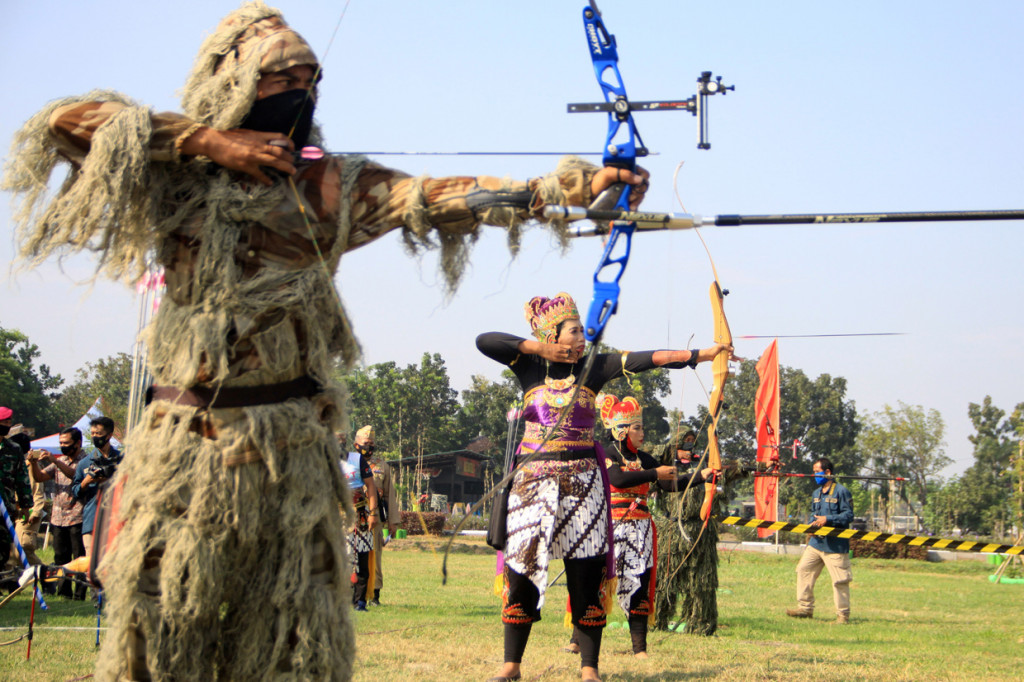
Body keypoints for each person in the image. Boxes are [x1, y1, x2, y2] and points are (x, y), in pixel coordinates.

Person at [2, 3, 647, 678]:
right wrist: (213, 144)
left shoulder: (325, 187)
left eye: (310, 80)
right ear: (230, 83)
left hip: (292, 459)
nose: (300, 94)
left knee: (294, 651)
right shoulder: (178, 172)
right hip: (185, 451)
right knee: (160, 648)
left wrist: (571, 187)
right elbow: (66, 122)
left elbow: (440, 196)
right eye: (281, 80)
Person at [477, 292, 729, 682]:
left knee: (587, 572)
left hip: (584, 486)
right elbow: (485, 341)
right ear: (553, 335)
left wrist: (702, 355)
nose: (582, 339)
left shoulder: (593, 367)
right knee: (522, 570)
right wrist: (538, 348)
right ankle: (512, 664)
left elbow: (647, 359)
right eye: (574, 332)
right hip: (532, 484)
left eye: (583, 332)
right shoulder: (529, 366)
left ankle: (589, 668)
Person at [565, 395, 712, 658]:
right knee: (595, 582)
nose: (642, 433)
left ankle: (639, 649)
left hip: (640, 529)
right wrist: (655, 473)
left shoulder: (645, 458)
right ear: (622, 430)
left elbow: (668, 484)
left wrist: (700, 476)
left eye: (642, 427)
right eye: (637, 428)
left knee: (639, 585)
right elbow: (618, 479)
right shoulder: (607, 454)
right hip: (609, 527)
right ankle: (577, 640)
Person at [786, 457, 853, 624]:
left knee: (840, 580)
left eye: (817, 472)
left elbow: (848, 515)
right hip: (816, 544)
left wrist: (827, 519)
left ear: (827, 472)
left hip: (835, 546)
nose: (814, 475)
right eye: (814, 472)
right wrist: (812, 526)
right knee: (803, 569)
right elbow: (813, 514)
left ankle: (842, 615)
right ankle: (805, 609)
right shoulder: (816, 493)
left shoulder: (841, 491)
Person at [30, 427, 88, 599]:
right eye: (61, 443)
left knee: (79, 558)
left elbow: (76, 476)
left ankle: (79, 594)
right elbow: (40, 477)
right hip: (58, 518)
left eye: (66, 443)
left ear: (78, 443)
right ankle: (64, 593)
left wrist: (55, 461)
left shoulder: (86, 461)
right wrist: (33, 463)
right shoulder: (60, 460)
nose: (63, 446)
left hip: (78, 516)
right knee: (61, 557)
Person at [342, 425, 380, 612]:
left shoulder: (357, 460)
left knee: (361, 558)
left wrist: (373, 513)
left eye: (341, 440)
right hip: (335, 517)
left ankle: (360, 602)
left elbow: (371, 486)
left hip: (360, 516)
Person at [71, 417, 122, 557]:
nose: (94, 437)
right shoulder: (85, 462)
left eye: (98, 434)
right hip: (92, 519)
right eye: (92, 433)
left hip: (117, 519)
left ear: (109, 435)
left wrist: (111, 479)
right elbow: (75, 492)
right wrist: (86, 482)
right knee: (92, 561)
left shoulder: (122, 459)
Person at [0, 408, 34, 574]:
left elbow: (22, 478)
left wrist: (26, 506)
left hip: (6, 508)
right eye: (4, 423)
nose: (7, 426)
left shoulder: (14, 449)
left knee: (3, 549)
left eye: (9, 423)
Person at [367, 441, 398, 606]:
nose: (368, 446)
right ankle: (355, 594)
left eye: (371, 443)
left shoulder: (382, 466)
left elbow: (389, 495)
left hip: (376, 519)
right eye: (365, 443)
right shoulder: (349, 463)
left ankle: (374, 594)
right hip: (354, 518)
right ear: (356, 444)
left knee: (375, 556)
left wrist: (393, 521)